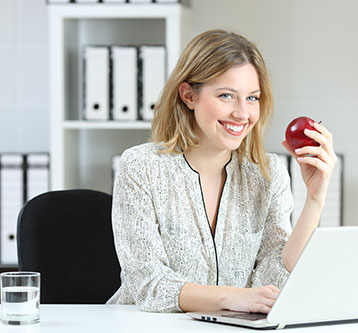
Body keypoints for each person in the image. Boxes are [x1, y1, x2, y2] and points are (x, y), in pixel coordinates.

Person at [107, 29, 336, 314]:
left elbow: (273, 280)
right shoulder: (141, 167)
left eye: (252, 98)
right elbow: (148, 284)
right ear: (189, 95)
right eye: (227, 96)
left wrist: (315, 199)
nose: (242, 114)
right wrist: (230, 297)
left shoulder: (268, 174)